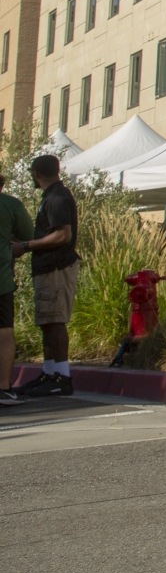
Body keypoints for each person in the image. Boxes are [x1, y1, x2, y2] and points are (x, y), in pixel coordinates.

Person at [17, 155, 78, 400]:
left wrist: (26, 245)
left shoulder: (57, 198)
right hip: (46, 267)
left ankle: (62, 377)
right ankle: (49, 372)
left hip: (56, 266)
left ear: (35, 173)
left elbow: (63, 235)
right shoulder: (52, 197)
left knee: (54, 321)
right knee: (46, 321)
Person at [0, 170, 36, 405]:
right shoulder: (11, 205)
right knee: (4, 333)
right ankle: (2, 388)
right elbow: (28, 236)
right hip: (1, 280)